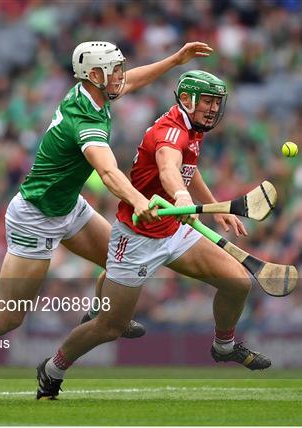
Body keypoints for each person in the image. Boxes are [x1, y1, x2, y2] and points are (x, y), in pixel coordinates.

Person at [0, 41, 214, 401]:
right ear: (95, 75)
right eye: (115, 71)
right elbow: (108, 171)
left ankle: (99, 316)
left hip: (68, 207)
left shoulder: (94, 93)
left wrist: (174, 60)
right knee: (8, 317)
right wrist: (139, 200)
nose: (122, 77)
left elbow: (133, 81)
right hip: (35, 219)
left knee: (116, 259)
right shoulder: (85, 119)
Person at [37, 70, 272, 400]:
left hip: (174, 230)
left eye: (217, 103)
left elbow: (188, 168)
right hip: (136, 238)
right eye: (207, 101)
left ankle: (224, 346)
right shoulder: (170, 133)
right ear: (187, 99)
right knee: (109, 327)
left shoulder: (192, 127)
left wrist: (213, 205)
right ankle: (53, 368)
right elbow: (169, 168)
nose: (213, 109)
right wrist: (183, 197)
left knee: (238, 282)